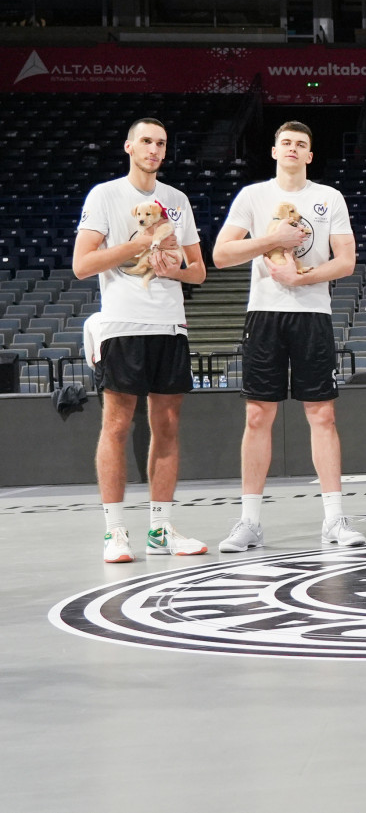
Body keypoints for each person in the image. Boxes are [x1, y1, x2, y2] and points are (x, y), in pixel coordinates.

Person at [212, 119, 365, 551]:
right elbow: (221, 255)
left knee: (323, 416)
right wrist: (271, 240)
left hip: (312, 313)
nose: (294, 149)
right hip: (264, 314)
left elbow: (346, 261)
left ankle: (334, 519)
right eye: (286, 143)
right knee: (258, 416)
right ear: (275, 151)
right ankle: (249, 522)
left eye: (302, 143)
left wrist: (302, 279)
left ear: (310, 155)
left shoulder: (328, 197)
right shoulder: (253, 196)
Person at [74, 117, 208, 562]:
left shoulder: (177, 199)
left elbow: (199, 271)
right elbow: (82, 264)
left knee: (167, 427)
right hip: (122, 325)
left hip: (169, 324)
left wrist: (177, 271)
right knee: (116, 425)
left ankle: (160, 529)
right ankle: (114, 532)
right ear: (129, 146)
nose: (154, 149)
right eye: (146, 141)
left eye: (161, 143)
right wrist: (137, 245)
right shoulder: (106, 195)